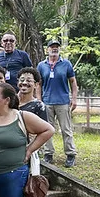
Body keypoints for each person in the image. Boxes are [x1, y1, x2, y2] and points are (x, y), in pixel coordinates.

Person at [16, 67, 48, 197]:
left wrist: (29, 150)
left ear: (36, 85)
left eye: (29, 80)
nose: (24, 83)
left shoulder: (38, 107)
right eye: (22, 79)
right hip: (10, 155)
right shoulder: (11, 102)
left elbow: (44, 132)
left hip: (28, 156)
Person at [37, 39, 79, 167]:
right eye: (52, 47)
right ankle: (48, 154)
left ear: (59, 49)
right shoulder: (41, 65)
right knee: (47, 129)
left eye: (56, 47)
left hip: (63, 102)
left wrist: (74, 99)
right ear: (47, 49)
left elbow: (73, 82)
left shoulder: (66, 64)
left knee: (66, 129)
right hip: (47, 102)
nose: (54, 49)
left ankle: (70, 154)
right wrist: (39, 100)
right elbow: (38, 84)